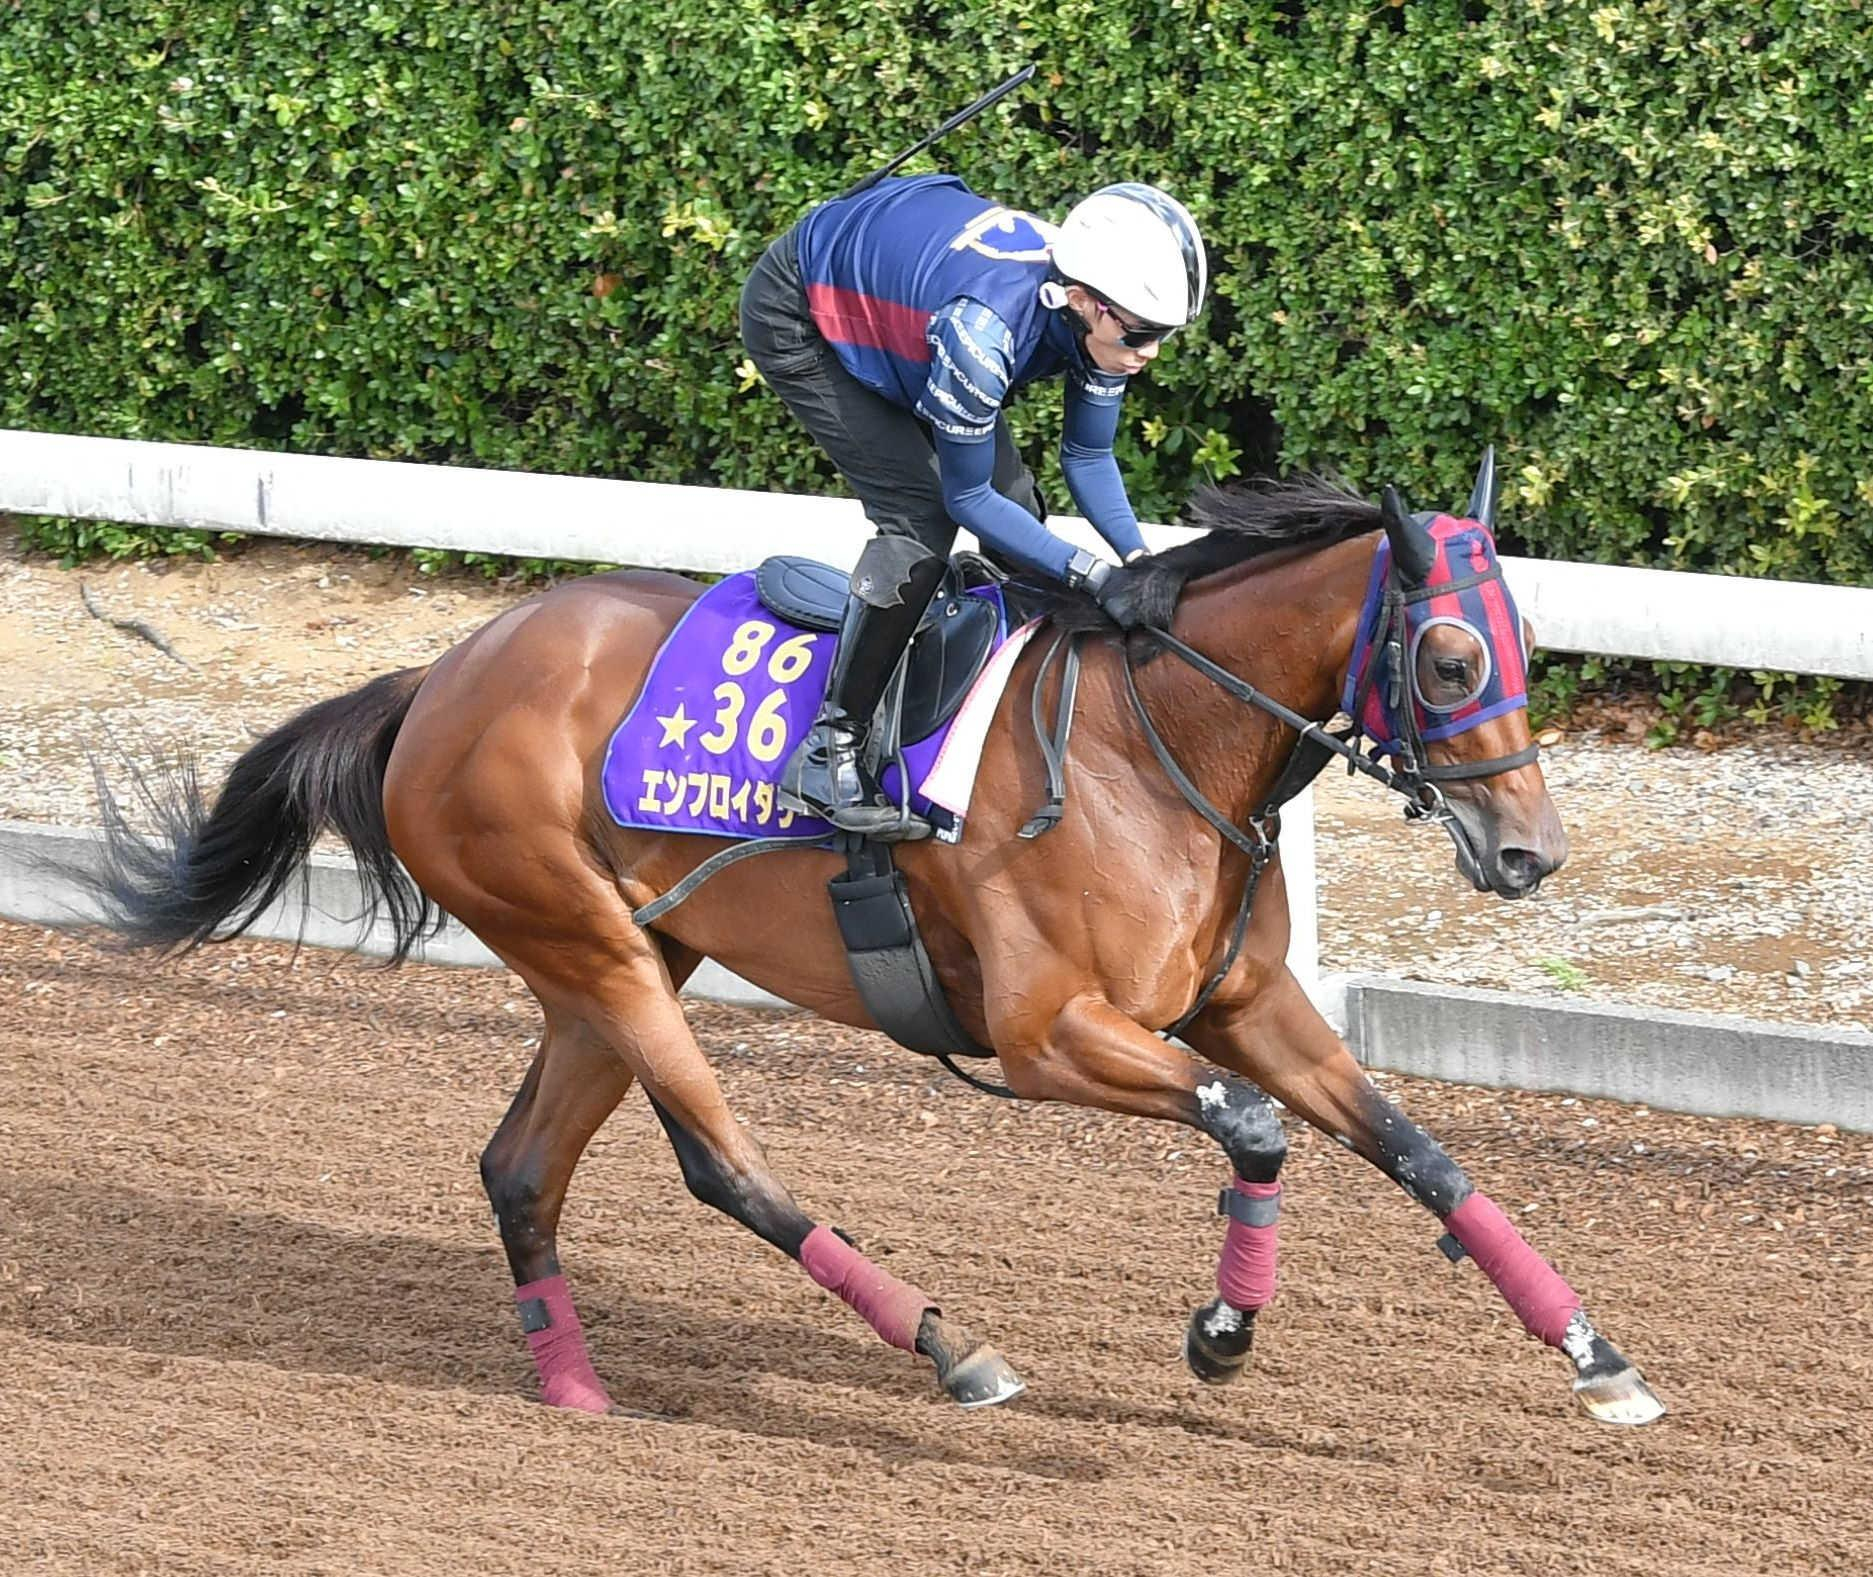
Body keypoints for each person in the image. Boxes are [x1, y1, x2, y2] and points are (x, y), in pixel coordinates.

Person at [739, 173, 1207, 838]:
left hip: (910, 290)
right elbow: (966, 499)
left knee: (1020, 508)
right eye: (1138, 336)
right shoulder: (980, 339)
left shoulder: (1099, 302)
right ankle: (827, 751)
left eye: (1162, 334)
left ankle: (1008, 718)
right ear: (1080, 301)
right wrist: (1090, 574)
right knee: (919, 518)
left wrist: (1135, 559)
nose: (1149, 354)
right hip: (803, 309)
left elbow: (1088, 457)